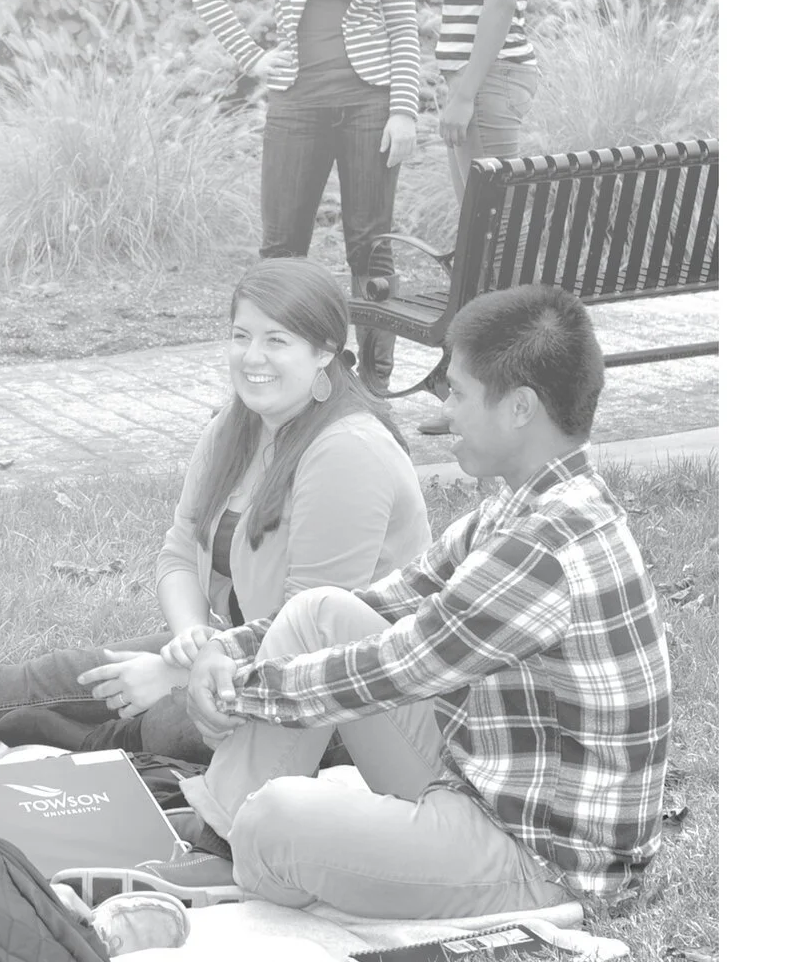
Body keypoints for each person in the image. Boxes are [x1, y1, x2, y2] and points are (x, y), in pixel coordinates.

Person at [163, 286, 670, 918]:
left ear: (519, 408)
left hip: (542, 861)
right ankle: (218, 839)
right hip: (479, 784)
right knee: (320, 613)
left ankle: (251, 846)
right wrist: (222, 647)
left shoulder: (546, 545)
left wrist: (236, 686)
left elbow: (400, 666)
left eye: (456, 392)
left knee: (277, 820)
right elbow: (388, 600)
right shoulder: (521, 508)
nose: (444, 413)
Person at [0, 260, 431, 765]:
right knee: (58, 676)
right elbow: (180, 549)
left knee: (174, 718)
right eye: (240, 335)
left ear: (325, 353)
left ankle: (96, 748)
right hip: (241, 649)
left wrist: (179, 676)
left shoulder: (347, 451)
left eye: (277, 340)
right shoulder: (237, 427)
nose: (253, 357)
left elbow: (308, 635)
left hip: (344, 701)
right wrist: (190, 637)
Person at [192, 0, 421, 391]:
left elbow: (403, 27)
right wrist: (255, 57)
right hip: (296, 106)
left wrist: (403, 109)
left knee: (372, 247)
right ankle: (274, 376)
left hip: (369, 104)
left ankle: (373, 384)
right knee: (280, 248)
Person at [419, 0, 543, 434]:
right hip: (483, 82)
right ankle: (474, 398)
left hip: (486, 87)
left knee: (489, 249)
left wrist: (463, 92)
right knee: (484, 244)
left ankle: (482, 401)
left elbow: (500, 2)